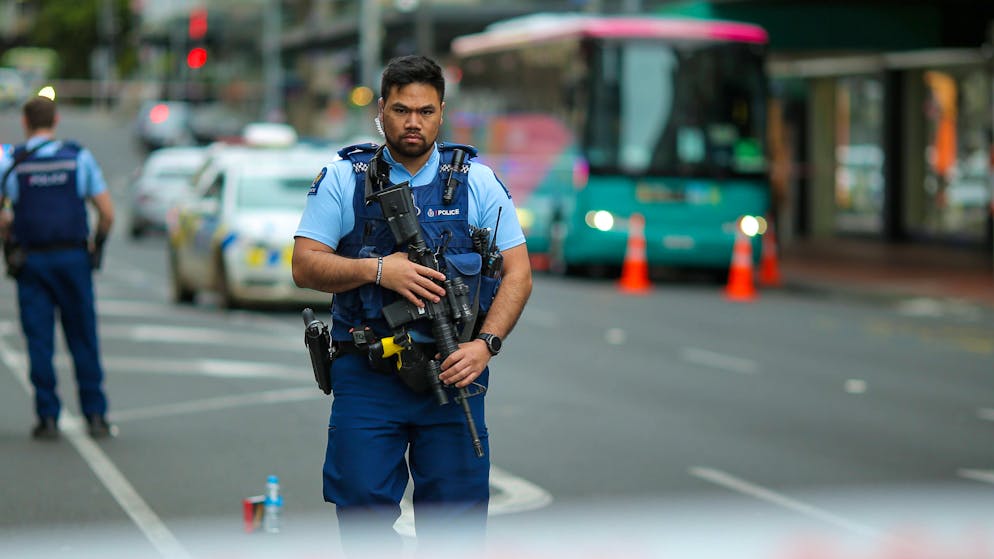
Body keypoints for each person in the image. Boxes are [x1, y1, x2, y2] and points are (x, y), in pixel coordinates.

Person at [292, 55, 532, 555]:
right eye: (401, 110)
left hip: (454, 373)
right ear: (382, 111)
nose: (413, 122)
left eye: (425, 111)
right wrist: (378, 270)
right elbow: (305, 265)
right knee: (360, 512)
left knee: (457, 525)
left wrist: (486, 345)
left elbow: (518, 274)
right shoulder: (344, 177)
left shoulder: (477, 182)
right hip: (368, 373)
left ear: (442, 112)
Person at [0, 96, 116, 440]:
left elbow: (2, 215)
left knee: (39, 340)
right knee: (82, 336)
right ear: (57, 119)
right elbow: (107, 213)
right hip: (73, 260)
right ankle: (95, 415)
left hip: (32, 261)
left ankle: (47, 417)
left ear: (25, 122)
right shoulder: (78, 158)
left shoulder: (13, 162)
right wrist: (97, 247)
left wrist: (9, 239)